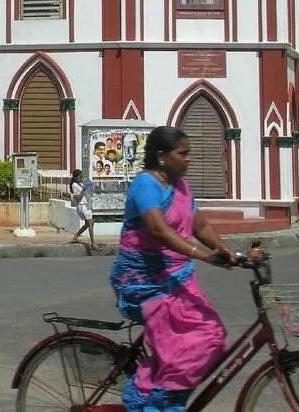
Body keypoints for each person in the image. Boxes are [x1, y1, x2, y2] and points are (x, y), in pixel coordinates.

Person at [109, 125, 252, 412]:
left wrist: (227, 251)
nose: (188, 159)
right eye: (182, 154)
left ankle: (168, 398)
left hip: (176, 279)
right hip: (143, 282)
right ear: (162, 156)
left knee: (211, 336)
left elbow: (199, 225)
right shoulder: (145, 184)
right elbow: (158, 229)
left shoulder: (181, 187)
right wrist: (202, 255)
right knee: (178, 351)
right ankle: (147, 400)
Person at [69, 169, 99, 252]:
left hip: (86, 205)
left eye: (81, 176)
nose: (81, 178)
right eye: (79, 177)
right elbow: (78, 199)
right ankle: (93, 243)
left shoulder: (81, 184)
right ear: (75, 178)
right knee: (90, 223)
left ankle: (76, 236)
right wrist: (83, 190)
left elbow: (87, 191)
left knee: (89, 223)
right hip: (82, 206)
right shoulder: (74, 185)